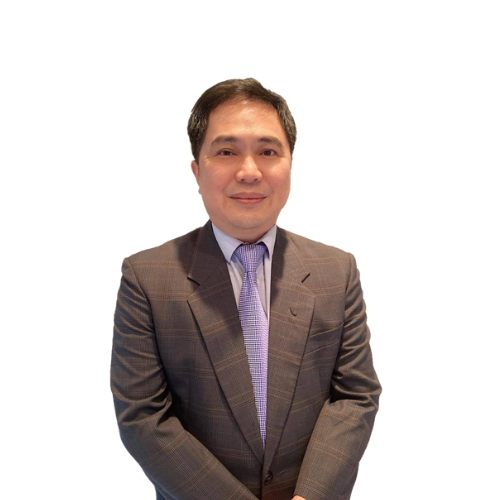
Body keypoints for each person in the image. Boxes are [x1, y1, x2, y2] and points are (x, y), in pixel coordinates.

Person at [110, 77, 382, 500]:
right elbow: (142, 417)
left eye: (268, 151)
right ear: (196, 170)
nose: (249, 171)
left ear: (290, 165)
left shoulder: (338, 270)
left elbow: (356, 396)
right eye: (227, 151)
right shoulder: (146, 277)